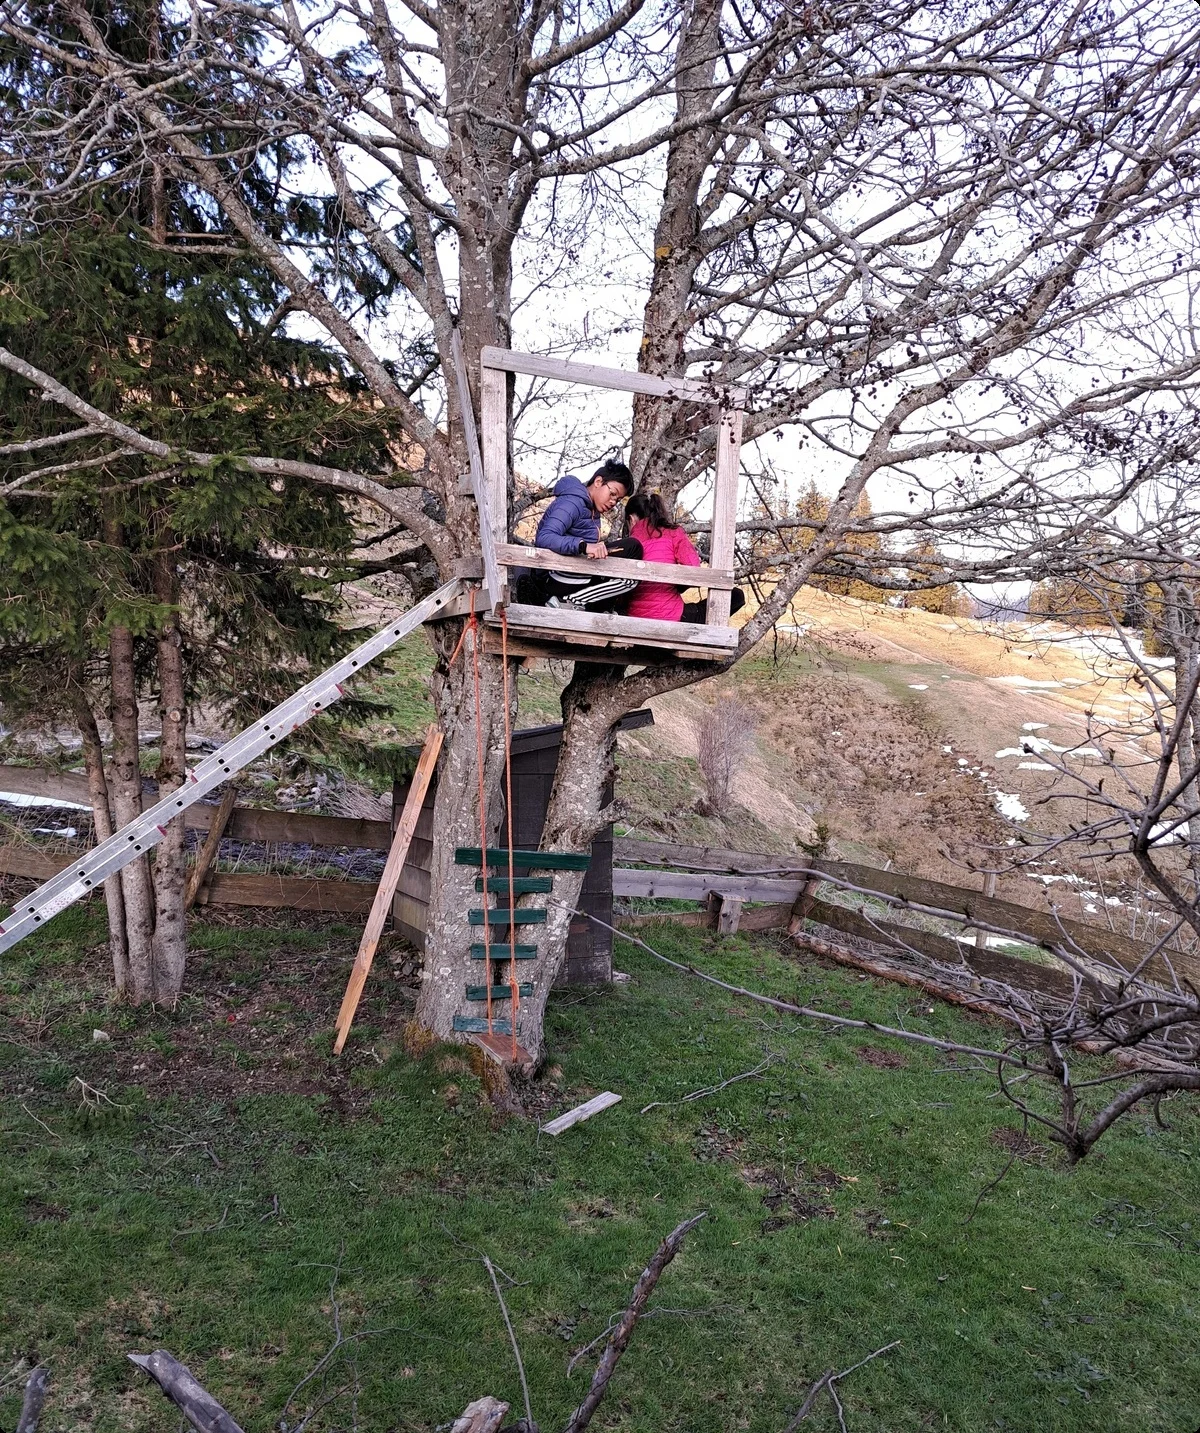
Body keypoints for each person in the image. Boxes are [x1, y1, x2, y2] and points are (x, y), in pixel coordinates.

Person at [531, 459, 643, 611]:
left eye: (617, 500)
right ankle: (568, 601)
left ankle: (586, 605)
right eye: (612, 494)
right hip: (552, 576)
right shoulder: (572, 502)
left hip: (572, 572)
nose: (612, 502)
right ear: (598, 481)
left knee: (628, 571)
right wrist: (583, 546)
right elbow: (545, 537)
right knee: (631, 548)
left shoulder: (592, 511)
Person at [625, 491, 746, 623]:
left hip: (635, 616)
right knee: (737, 596)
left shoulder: (628, 544)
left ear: (631, 519)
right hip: (672, 616)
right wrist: (674, 587)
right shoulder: (673, 533)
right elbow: (693, 568)